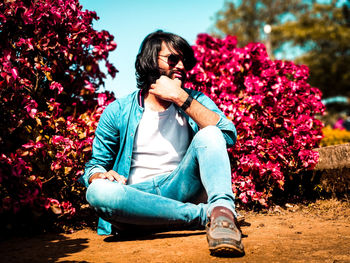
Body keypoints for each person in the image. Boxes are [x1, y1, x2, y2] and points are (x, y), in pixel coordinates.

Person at [80, 30, 244, 257]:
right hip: (137, 198)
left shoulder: (194, 100)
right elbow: (95, 165)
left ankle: (222, 213)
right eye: (173, 59)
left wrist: (180, 98)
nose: (182, 67)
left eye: (184, 61)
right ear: (150, 60)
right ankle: (205, 215)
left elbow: (225, 135)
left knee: (210, 133)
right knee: (98, 192)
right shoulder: (118, 111)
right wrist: (99, 175)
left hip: (180, 185)